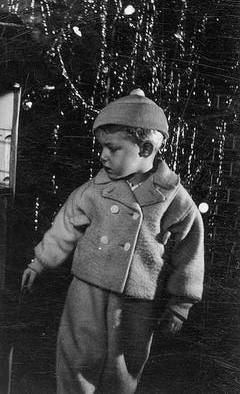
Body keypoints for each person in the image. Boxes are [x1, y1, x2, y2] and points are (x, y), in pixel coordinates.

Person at [22, 89, 204, 394]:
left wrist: (181, 303)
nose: (103, 156)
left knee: (123, 368)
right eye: (102, 148)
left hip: (136, 299)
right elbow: (66, 225)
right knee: (75, 358)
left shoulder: (174, 199)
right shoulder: (94, 189)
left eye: (113, 148)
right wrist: (40, 261)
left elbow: (189, 250)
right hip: (87, 289)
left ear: (145, 149)